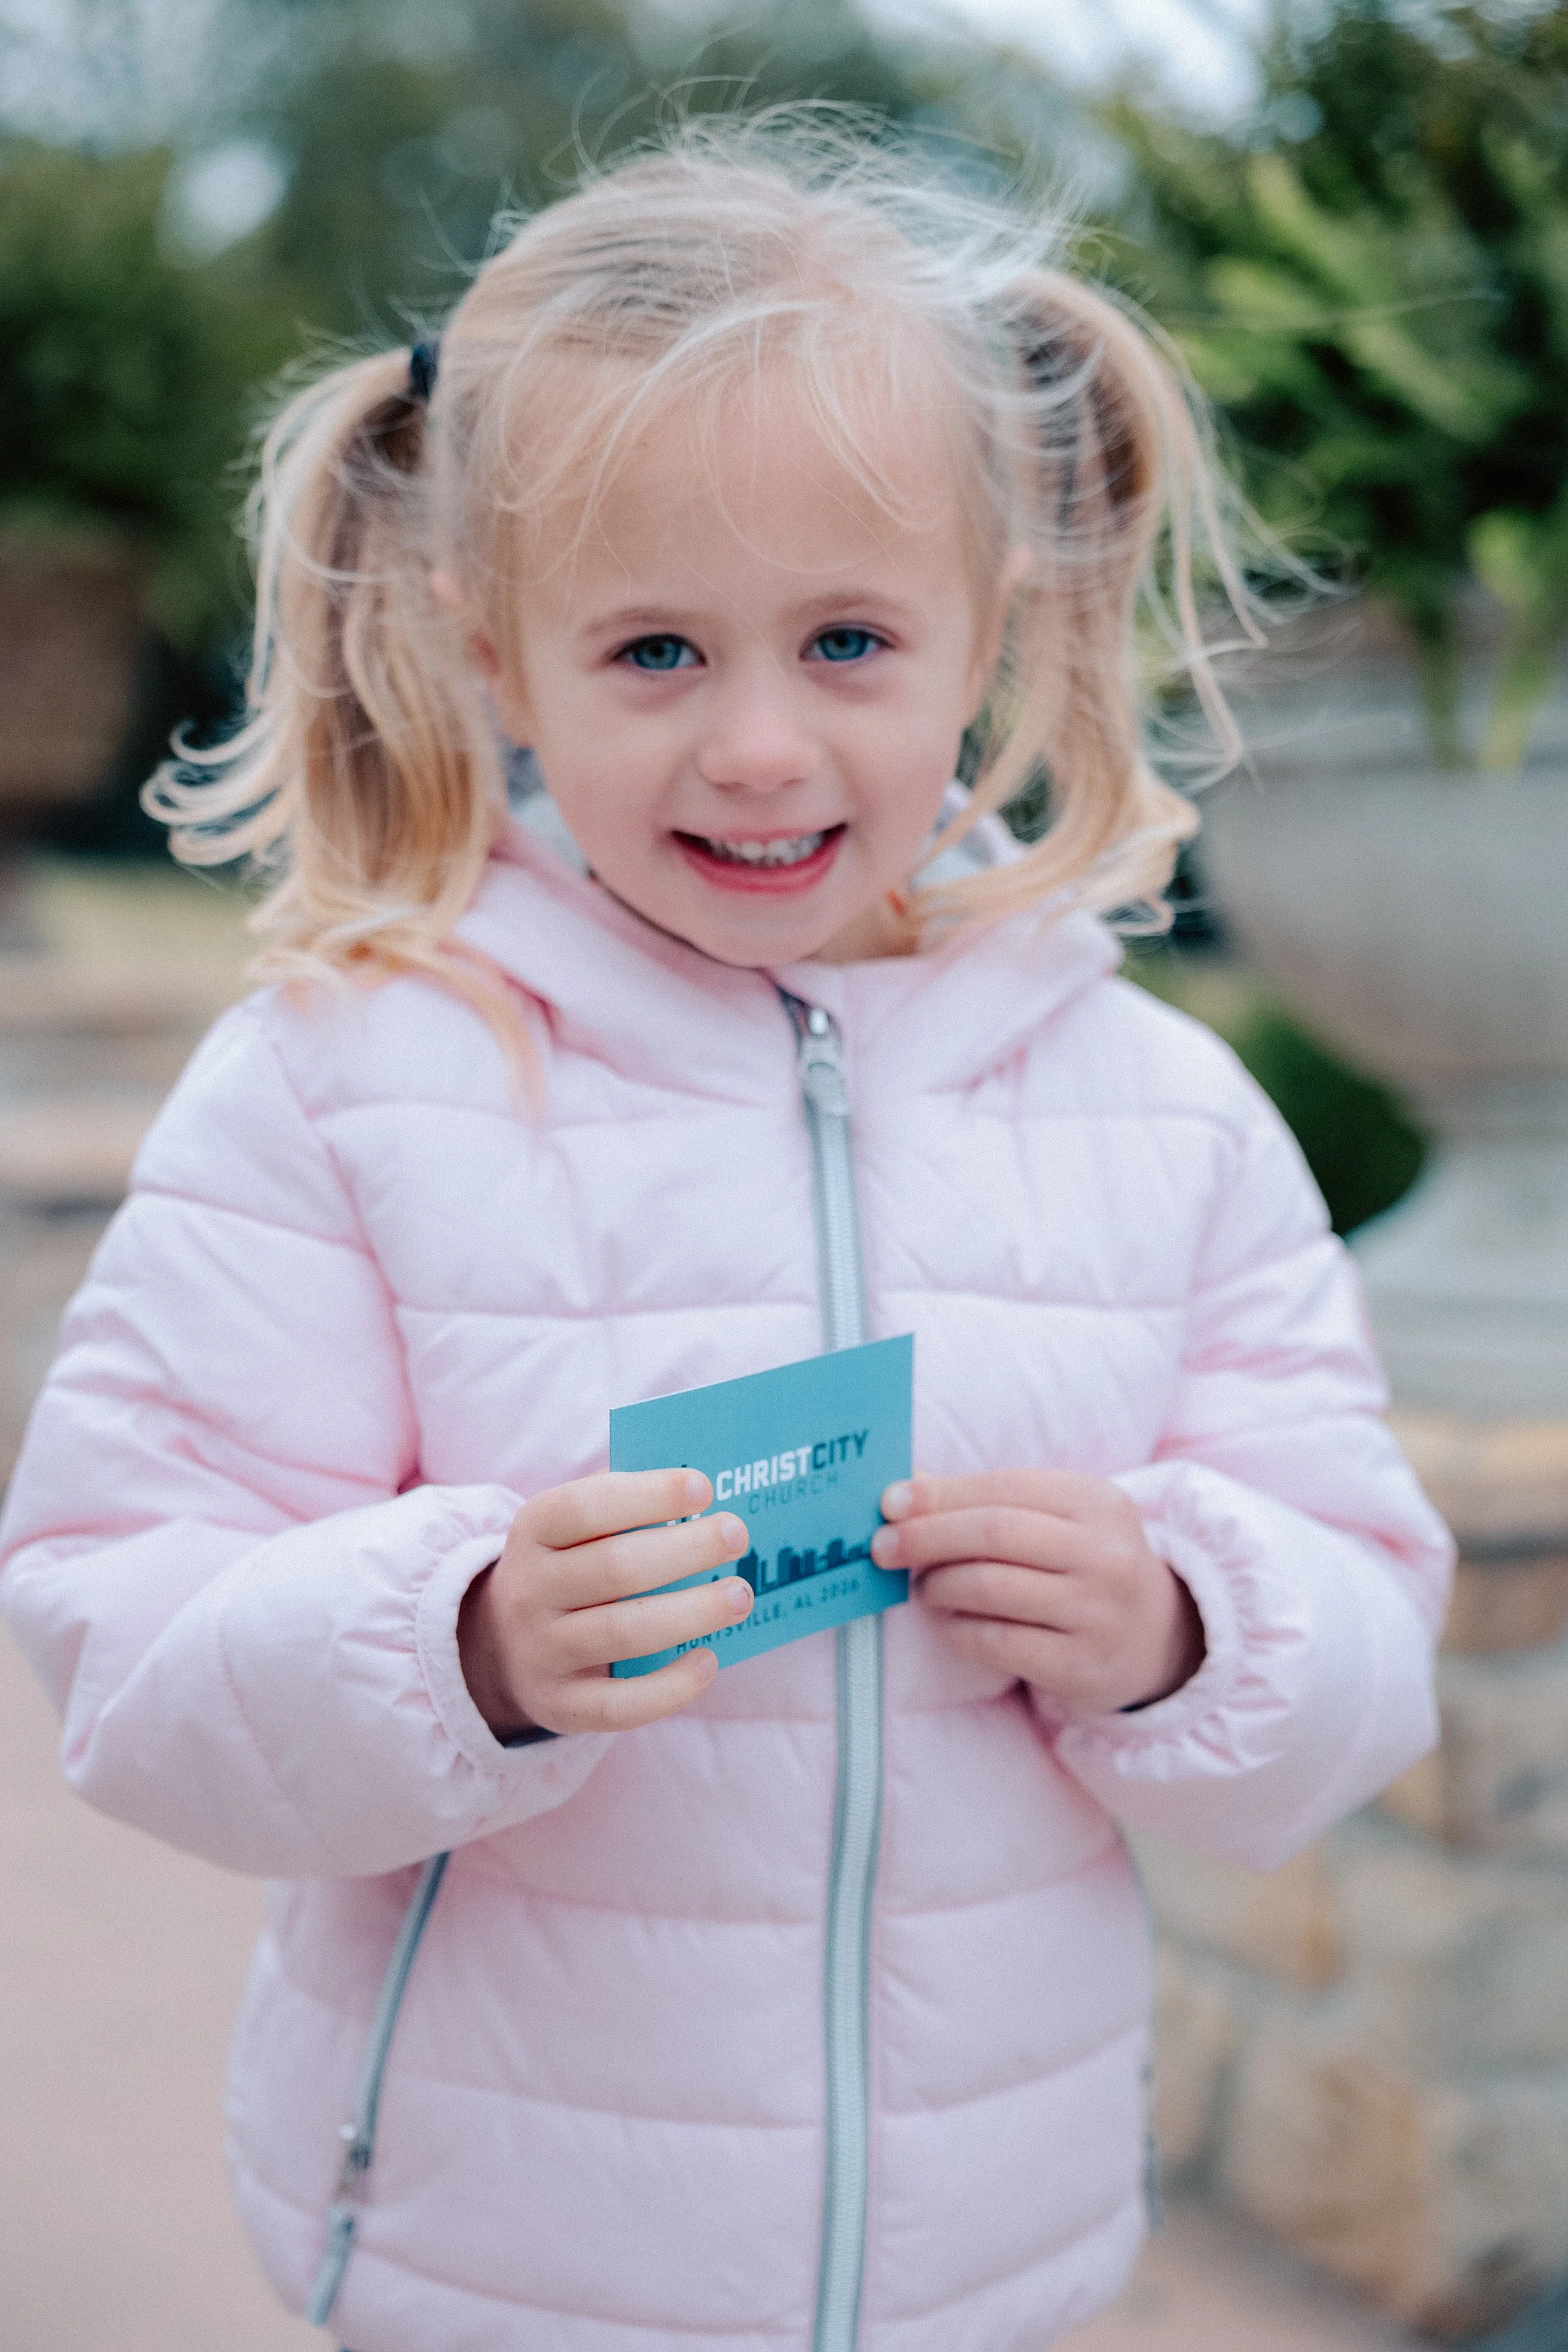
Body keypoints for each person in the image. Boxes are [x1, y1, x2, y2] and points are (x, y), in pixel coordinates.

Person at [0, 112, 1451, 2352]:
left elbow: (1362, 1619)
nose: (761, 745)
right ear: (497, 656)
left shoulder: (1158, 1115)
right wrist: (459, 1636)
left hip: (991, 2258)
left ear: (992, 623)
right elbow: (123, 1640)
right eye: (656, 650)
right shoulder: (350, 1083)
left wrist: (1182, 1619)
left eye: (850, 639)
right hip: (495, 2271)